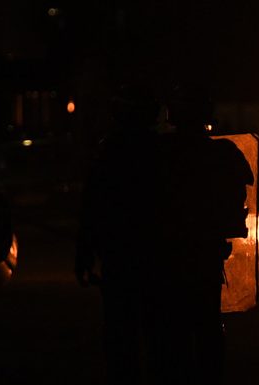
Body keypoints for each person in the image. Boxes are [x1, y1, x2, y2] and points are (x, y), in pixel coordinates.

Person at [140, 83, 253, 385]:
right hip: (203, 251)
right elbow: (244, 183)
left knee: (169, 328)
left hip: (165, 253)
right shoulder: (221, 152)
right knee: (206, 325)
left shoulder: (156, 151)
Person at [75, 83, 163, 385]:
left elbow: (92, 208)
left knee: (121, 336)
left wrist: (85, 254)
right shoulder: (162, 153)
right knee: (158, 337)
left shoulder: (109, 153)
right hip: (155, 259)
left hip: (121, 258)